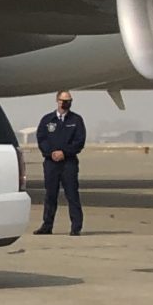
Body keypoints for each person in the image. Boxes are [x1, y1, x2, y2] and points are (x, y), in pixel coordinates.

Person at [36, 92, 86, 234]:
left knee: (72, 194)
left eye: (68, 101)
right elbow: (41, 139)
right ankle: (47, 225)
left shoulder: (76, 120)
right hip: (51, 163)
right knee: (50, 195)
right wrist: (51, 153)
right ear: (57, 101)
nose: (65, 103)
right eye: (63, 100)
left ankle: (76, 227)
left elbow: (79, 141)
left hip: (68, 163)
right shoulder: (47, 120)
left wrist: (64, 152)